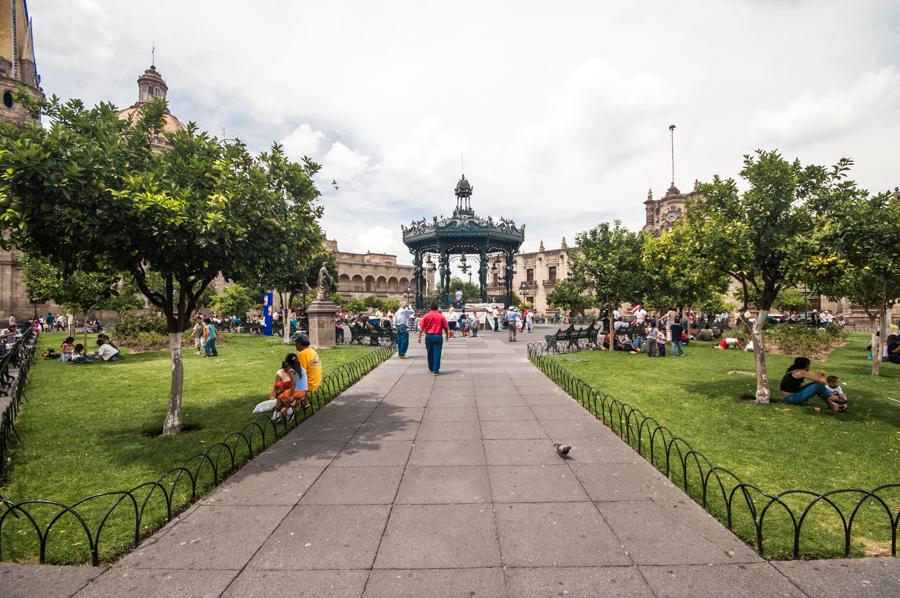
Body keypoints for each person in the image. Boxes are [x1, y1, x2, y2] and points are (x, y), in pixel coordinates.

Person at [271, 353, 309, 423]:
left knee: (280, 398)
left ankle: (276, 416)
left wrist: (291, 395)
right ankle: (289, 410)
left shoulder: (291, 371)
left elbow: (293, 383)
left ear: (288, 363)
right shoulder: (301, 368)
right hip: (304, 390)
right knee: (284, 397)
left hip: (298, 391)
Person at [417, 302, 449, 375]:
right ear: (437, 308)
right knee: (437, 353)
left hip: (429, 336)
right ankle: (435, 370)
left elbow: (421, 327)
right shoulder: (441, 316)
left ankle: (431, 367)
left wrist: (419, 336)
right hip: (438, 336)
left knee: (430, 352)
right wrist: (447, 336)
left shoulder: (426, 316)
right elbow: (446, 327)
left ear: (430, 308)